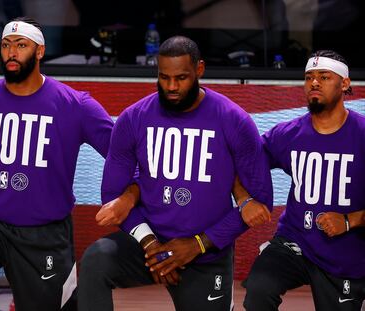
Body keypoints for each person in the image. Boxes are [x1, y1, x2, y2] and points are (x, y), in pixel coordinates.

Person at [0, 17, 139, 311]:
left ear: (39, 51)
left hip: (44, 235)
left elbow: (129, 158)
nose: (12, 52)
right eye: (5, 45)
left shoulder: (75, 105)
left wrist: (129, 197)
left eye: (21, 45)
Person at [77, 35, 273, 311]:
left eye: (181, 78)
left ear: (199, 70)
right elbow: (112, 194)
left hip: (206, 255)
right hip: (148, 245)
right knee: (97, 258)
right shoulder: (134, 118)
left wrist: (197, 245)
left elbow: (260, 198)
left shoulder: (233, 120)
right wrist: (149, 244)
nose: (171, 87)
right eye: (164, 77)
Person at [242, 50, 365, 310]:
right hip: (295, 240)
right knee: (258, 290)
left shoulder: (362, 135)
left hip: (347, 252)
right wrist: (245, 200)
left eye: (324, 76)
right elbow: (244, 163)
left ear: (344, 83)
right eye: (309, 77)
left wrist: (349, 220)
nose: (315, 83)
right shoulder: (288, 134)